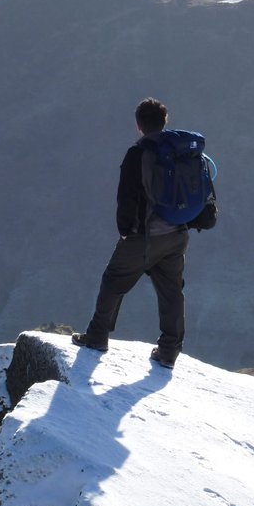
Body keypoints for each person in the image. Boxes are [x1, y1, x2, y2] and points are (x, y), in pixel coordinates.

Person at [72, 98, 190, 369]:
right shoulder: (180, 151)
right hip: (178, 234)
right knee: (171, 292)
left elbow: (126, 196)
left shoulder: (138, 153)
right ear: (164, 121)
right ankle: (169, 351)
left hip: (146, 236)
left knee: (113, 280)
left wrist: (126, 230)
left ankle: (98, 337)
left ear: (139, 125)